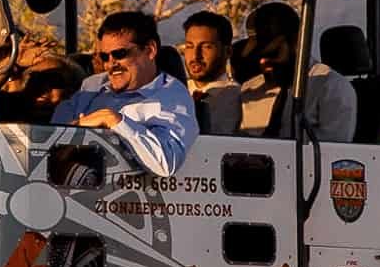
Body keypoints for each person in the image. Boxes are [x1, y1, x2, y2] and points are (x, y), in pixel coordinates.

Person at [51, 9, 197, 176]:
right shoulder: (92, 85)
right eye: (105, 57)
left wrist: (115, 120)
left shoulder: (171, 97)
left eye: (120, 54)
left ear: (150, 50)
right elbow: (52, 138)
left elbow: (166, 162)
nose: (111, 65)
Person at [236, 3, 358, 141]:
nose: (263, 62)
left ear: (296, 42)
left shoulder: (330, 88)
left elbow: (331, 154)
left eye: (273, 53)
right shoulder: (249, 90)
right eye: (257, 56)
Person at [178, 10, 244, 136]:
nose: (196, 56)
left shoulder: (240, 99)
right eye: (189, 46)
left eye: (206, 47)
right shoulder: (174, 93)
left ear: (228, 52)